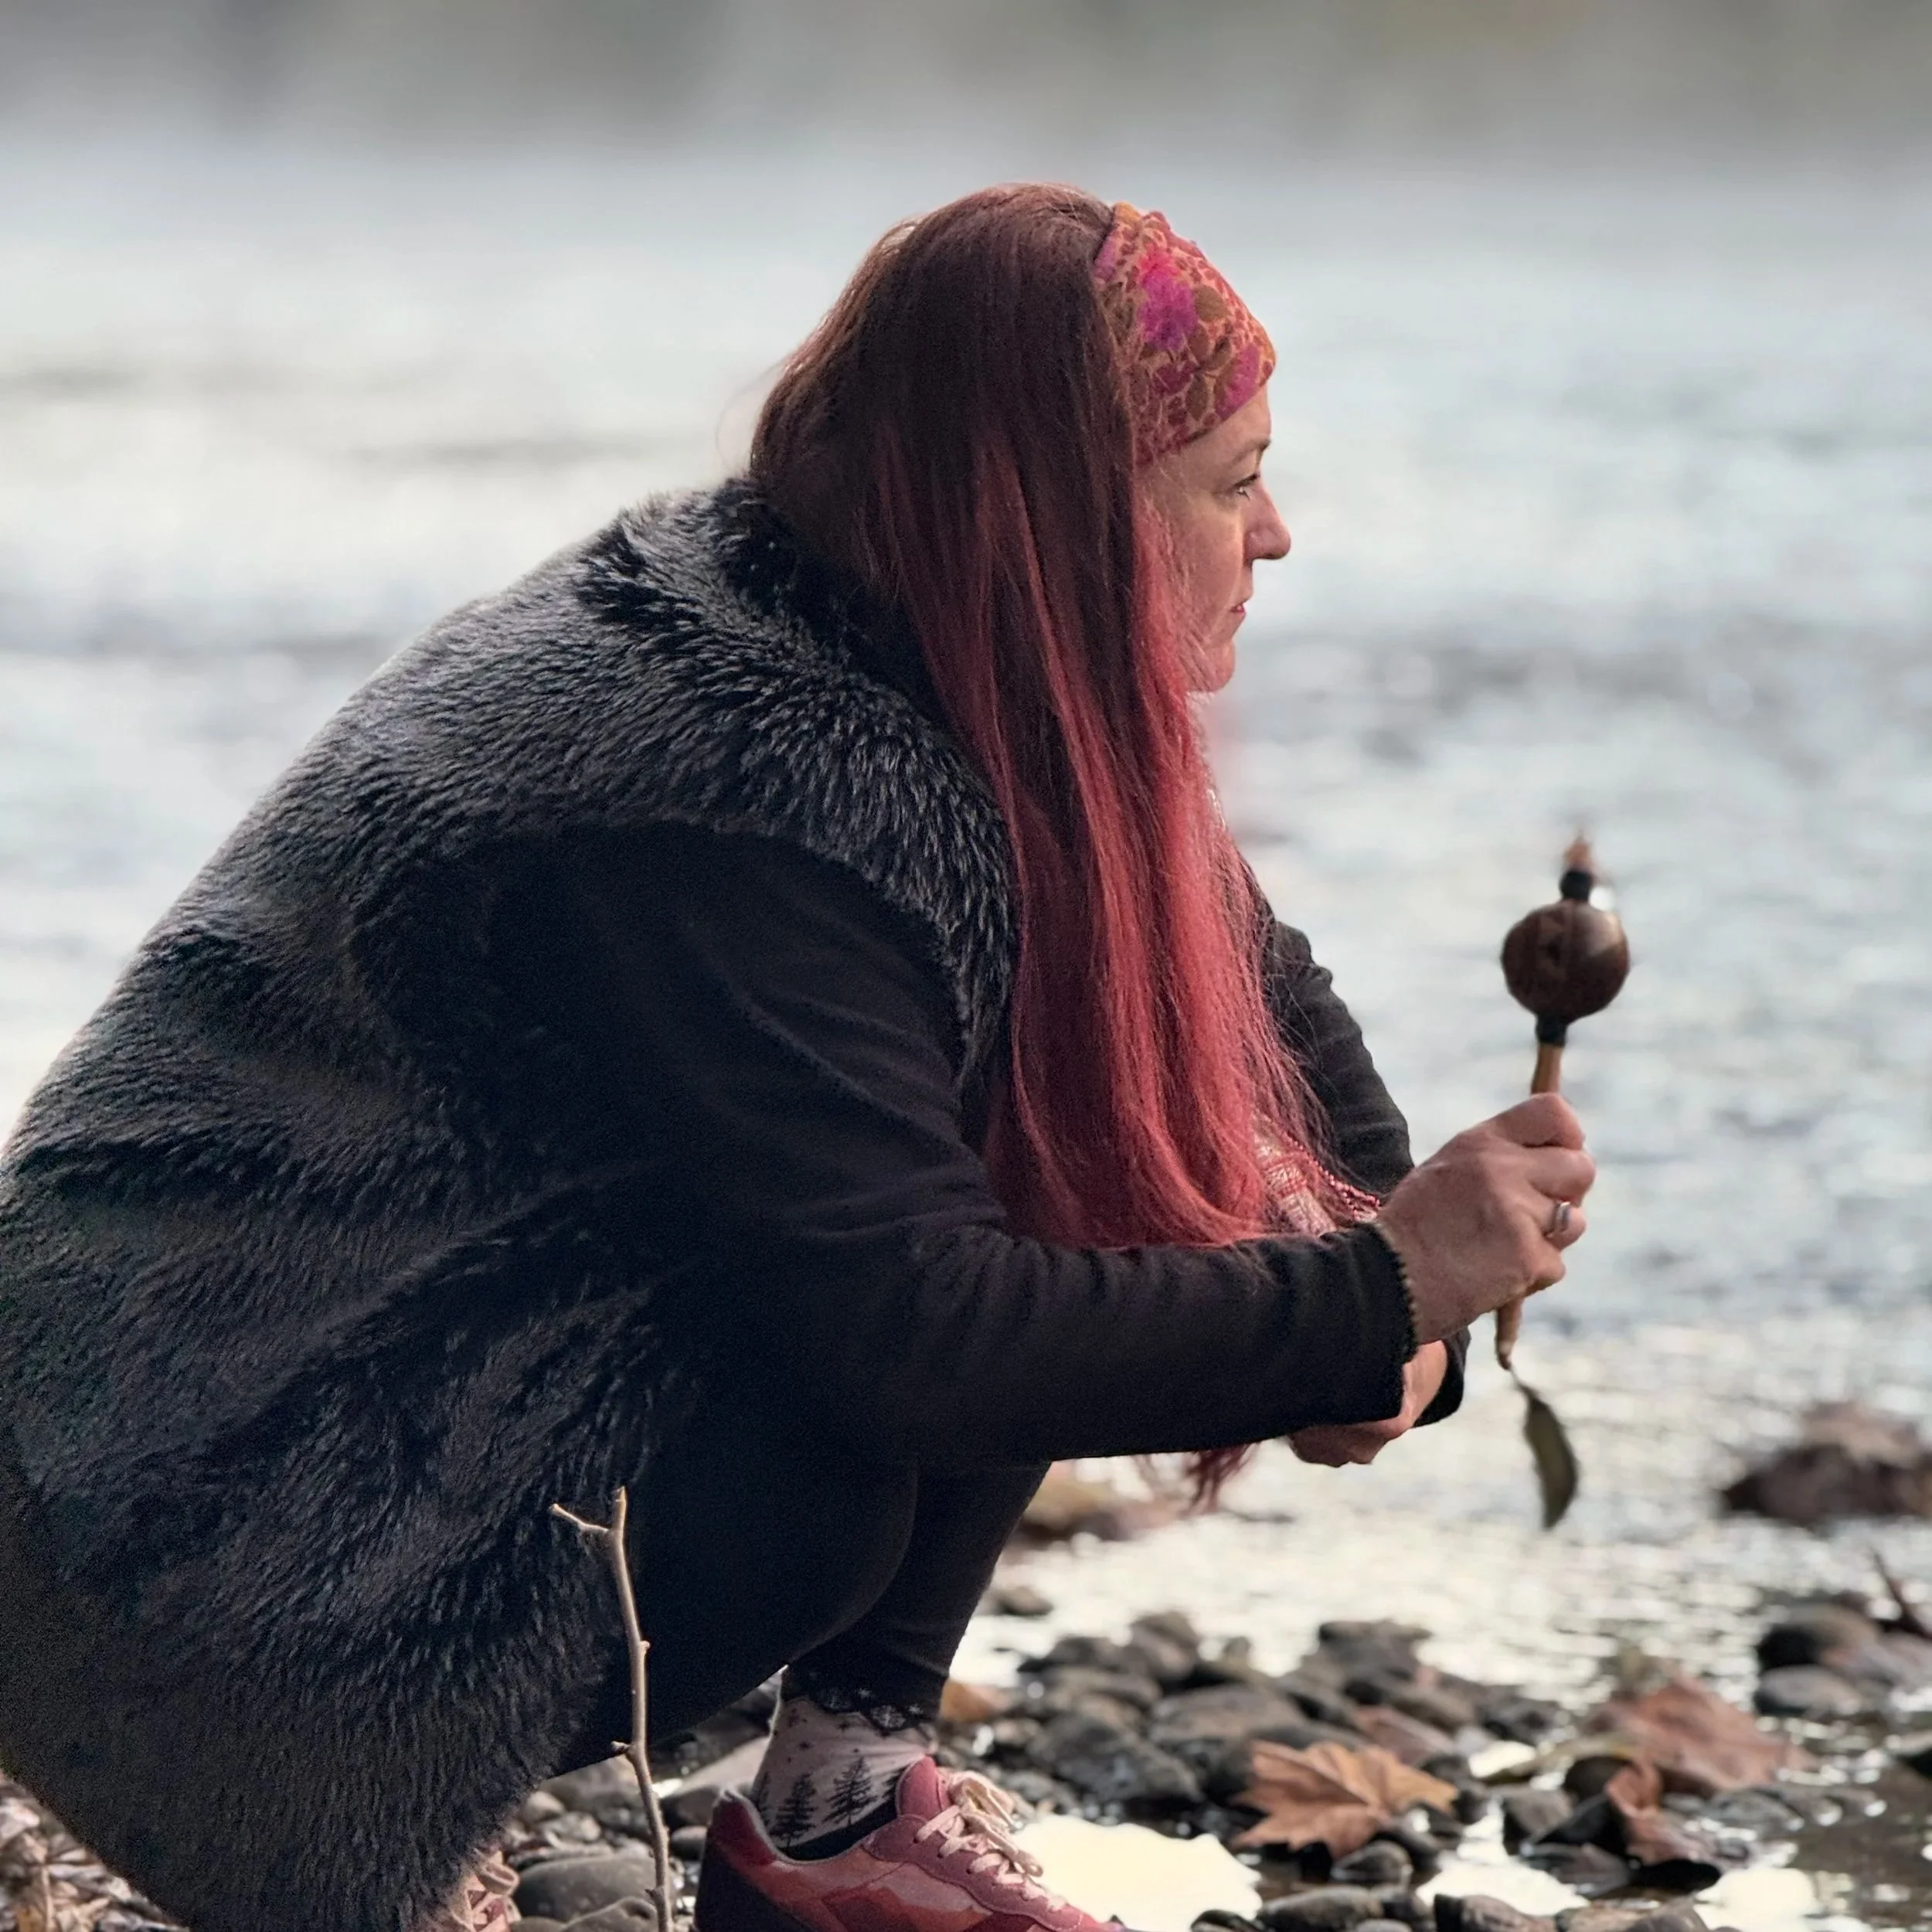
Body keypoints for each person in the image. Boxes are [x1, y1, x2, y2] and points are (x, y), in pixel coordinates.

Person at [0, 185, 1593, 1932]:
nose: (1276, 533)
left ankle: (843, 1804)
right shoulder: (726, 775)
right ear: (1062, 521)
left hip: (295, 1396)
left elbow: (1256, 1002)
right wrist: (1361, 1296)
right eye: (1230, 482)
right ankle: (295, 1784)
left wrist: (1387, 1278)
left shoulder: (914, 632)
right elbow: (919, 1343)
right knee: (826, 1465)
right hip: (133, 1502)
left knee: (1058, 1098)